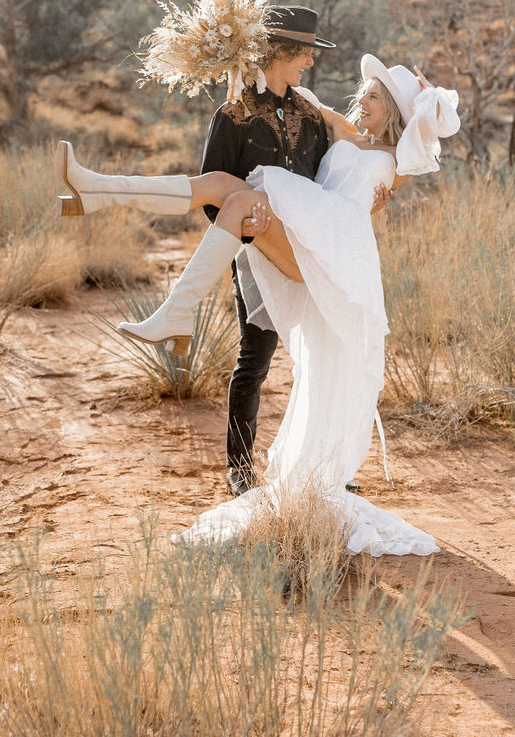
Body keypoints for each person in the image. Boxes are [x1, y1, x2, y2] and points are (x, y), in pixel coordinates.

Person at [55, 51, 461, 558]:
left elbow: (439, 125)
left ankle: (175, 308)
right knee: (228, 187)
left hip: (335, 253)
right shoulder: (339, 130)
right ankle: (98, 189)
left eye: (376, 96)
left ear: (397, 112)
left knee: (242, 197)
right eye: (366, 92)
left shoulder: (397, 162)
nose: (364, 100)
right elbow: (275, 87)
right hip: (307, 231)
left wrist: (426, 95)